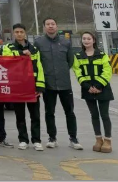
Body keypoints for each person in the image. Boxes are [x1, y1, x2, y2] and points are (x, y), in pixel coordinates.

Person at [34, 17, 82, 150]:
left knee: (70, 112)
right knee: (49, 112)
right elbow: (37, 62)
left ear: (56, 26)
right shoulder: (39, 43)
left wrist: (61, 71)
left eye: (53, 24)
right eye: (48, 24)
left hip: (64, 83)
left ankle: (73, 138)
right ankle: (52, 138)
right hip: (48, 84)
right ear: (44, 27)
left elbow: (70, 61)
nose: (51, 26)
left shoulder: (66, 42)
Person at [3, 23, 46, 151]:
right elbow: (6, 58)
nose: (19, 34)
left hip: (32, 86)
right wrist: (22, 53)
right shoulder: (8, 47)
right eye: (17, 32)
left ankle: (36, 140)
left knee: (35, 115)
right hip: (17, 86)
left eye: (21, 32)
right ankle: (23, 140)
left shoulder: (34, 49)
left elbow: (39, 67)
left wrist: (40, 86)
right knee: (20, 115)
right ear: (13, 34)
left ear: (25, 33)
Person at [72, 31, 114, 153]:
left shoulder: (102, 55)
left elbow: (107, 71)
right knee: (94, 115)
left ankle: (107, 140)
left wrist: (98, 85)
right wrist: (87, 86)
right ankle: (98, 139)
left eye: (88, 38)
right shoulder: (78, 56)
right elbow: (77, 72)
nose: (86, 41)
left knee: (104, 115)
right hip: (87, 90)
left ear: (93, 40)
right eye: (84, 38)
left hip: (103, 89)